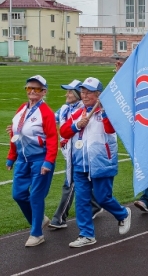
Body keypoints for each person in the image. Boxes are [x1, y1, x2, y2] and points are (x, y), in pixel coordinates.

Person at [59, 77, 132, 248]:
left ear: (98, 95)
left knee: (102, 197)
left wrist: (104, 111)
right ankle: (86, 234)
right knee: (82, 200)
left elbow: (111, 129)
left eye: (89, 92)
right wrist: (77, 125)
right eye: (83, 92)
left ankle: (122, 214)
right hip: (79, 163)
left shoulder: (108, 111)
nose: (84, 95)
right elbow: (63, 131)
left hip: (101, 162)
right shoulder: (78, 113)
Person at [6, 75, 58, 247]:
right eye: (29, 88)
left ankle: (36, 233)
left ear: (44, 92)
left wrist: (48, 161)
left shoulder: (46, 112)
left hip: (40, 159)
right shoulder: (22, 108)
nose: (32, 92)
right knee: (18, 194)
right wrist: (11, 157)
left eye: (36, 89)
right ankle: (40, 219)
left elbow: (52, 138)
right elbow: (16, 133)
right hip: (22, 159)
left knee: (36, 196)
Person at [49, 80, 103, 229]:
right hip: (67, 151)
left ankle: (59, 218)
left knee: (70, 183)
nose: (66, 94)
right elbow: (50, 120)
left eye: (70, 92)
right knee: (81, 184)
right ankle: (96, 204)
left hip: (80, 153)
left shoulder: (84, 109)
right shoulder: (65, 108)